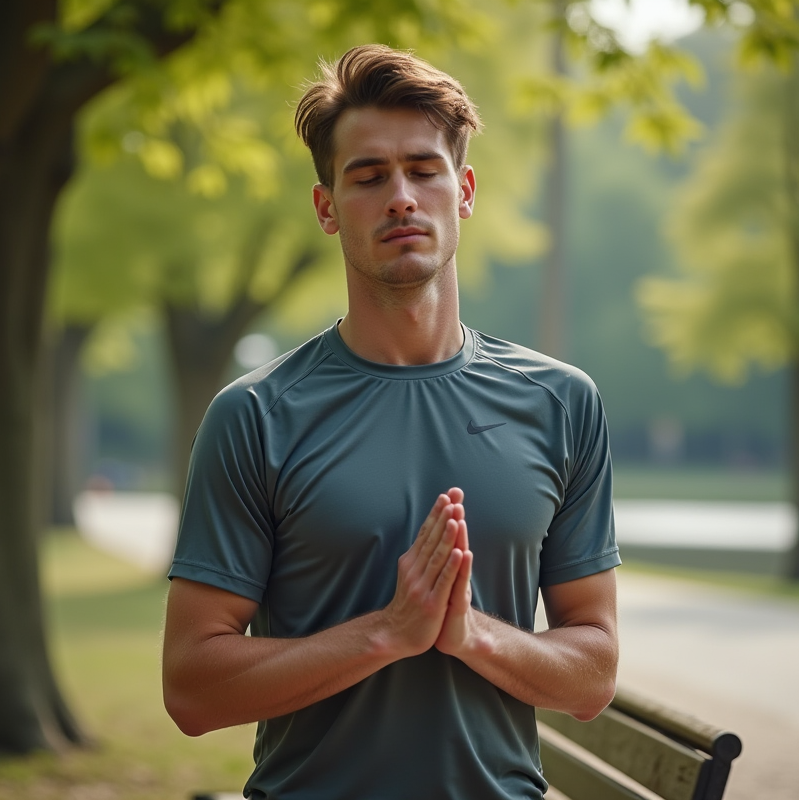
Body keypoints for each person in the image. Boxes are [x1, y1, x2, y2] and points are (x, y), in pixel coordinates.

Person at [162, 44, 620, 800]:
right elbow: (191, 688)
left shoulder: (560, 403)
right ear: (327, 208)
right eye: (369, 176)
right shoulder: (255, 416)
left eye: (423, 170)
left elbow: (593, 673)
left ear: (463, 190)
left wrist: (468, 634)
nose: (401, 196)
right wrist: (386, 633)